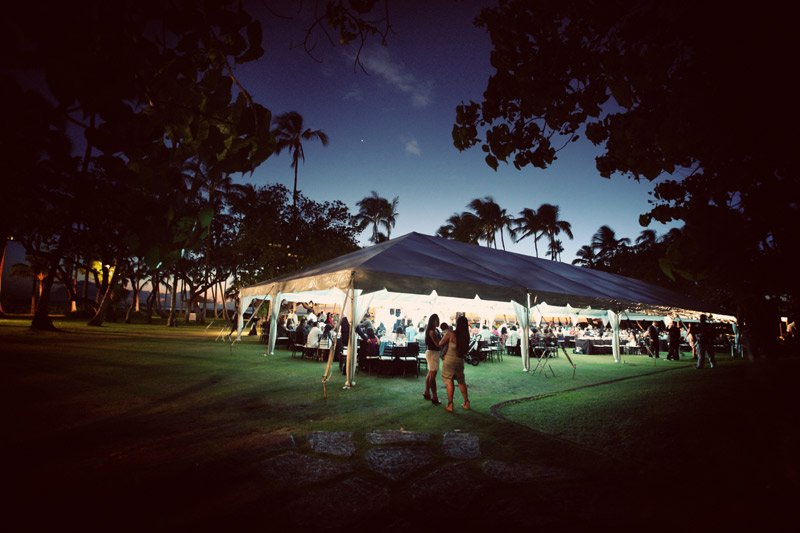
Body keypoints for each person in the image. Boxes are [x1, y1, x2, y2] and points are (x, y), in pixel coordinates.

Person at [438, 315, 471, 412]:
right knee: (461, 381)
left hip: (449, 360)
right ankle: (466, 402)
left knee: (449, 380)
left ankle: (450, 404)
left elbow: (440, 343)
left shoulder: (450, 334)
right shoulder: (466, 336)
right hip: (460, 361)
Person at [422, 314, 443, 405]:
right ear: (432, 321)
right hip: (432, 353)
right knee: (432, 375)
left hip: (433, 353)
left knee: (430, 373)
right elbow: (438, 344)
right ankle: (434, 396)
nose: (438, 322)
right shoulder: (432, 331)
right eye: (437, 320)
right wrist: (446, 340)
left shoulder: (435, 330)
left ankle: (427, 392)